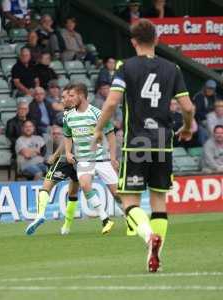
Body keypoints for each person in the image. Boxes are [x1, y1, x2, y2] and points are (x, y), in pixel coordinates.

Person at [92, 19, 194, 272]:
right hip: (163, 142)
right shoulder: (173, 69)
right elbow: (188, 107)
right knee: (159, 200)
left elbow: (113, 103)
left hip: (136, 142)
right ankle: (155, 257)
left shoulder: (125, 66)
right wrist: (188, 127)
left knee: (129, 202)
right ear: (157, 40)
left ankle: (149, 237)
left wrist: (98, 130)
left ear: (133, 41)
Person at [63, 83, 116, 236]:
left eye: (72, 95)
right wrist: (67, 152)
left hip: (102, 159)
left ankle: (130, 219)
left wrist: (113, 157)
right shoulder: (68, 116)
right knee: (85, 184)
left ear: (81, 95)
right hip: (84, 159)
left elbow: (111, 135)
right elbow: (67, 135)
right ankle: (105, 218)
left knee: (117, 194)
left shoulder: (97, 113)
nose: (69, 99)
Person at [25, 87, 80, 235]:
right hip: (81, 159)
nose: (62, 100)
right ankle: (67, 226)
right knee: (74, 193)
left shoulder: (68, 115)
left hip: (66, 158)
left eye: (64, 97)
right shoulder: (85, 113)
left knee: (46, 186)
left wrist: (55, 155)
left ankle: (40, 214)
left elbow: (66, 139)